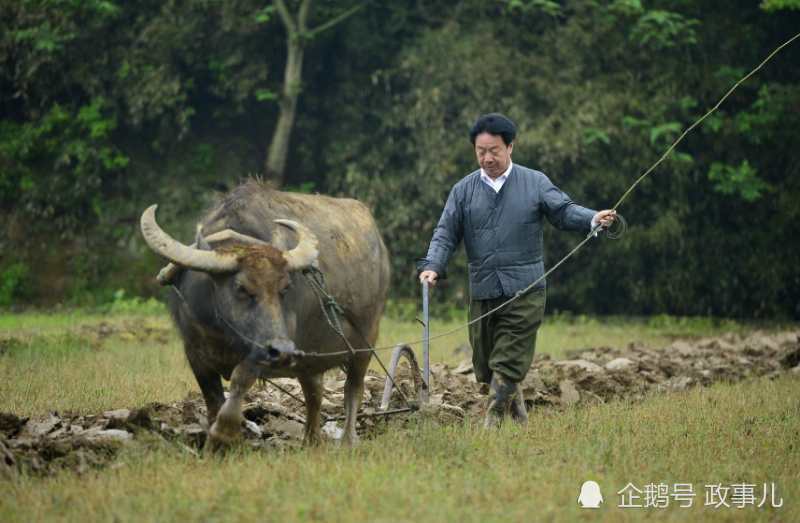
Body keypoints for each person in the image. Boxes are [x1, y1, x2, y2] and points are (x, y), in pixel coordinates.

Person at [418, 113, 616, 427]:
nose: (487, 158)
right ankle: (520, 418)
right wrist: (432, 266)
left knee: (508, 361)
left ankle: (492, 424)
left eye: (494, 150)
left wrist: (593, 218)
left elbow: (563, 212)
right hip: (483, 291)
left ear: (511, 147)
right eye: (480, 151)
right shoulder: (463, 191)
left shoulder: (534, 182)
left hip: (526, 290)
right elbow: (445, 232)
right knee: (486, 367)